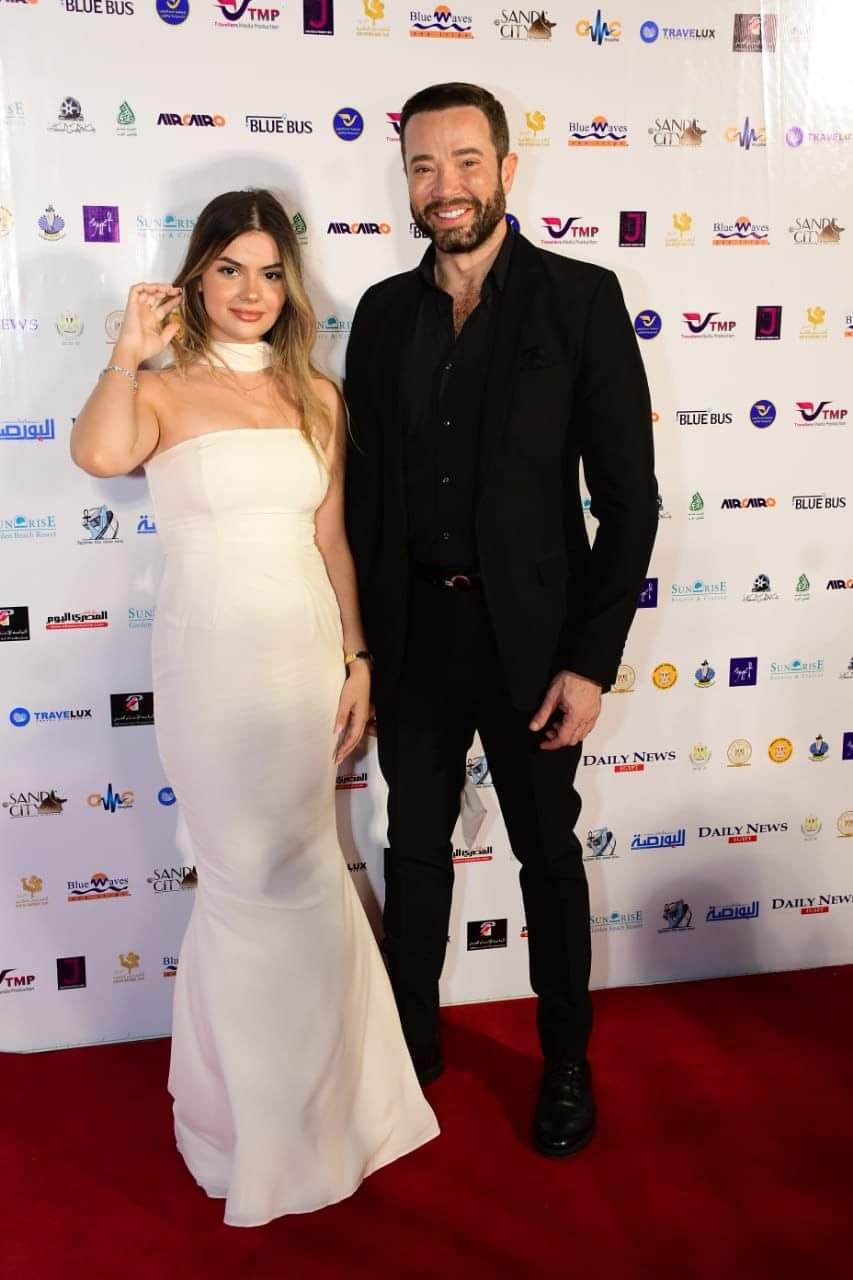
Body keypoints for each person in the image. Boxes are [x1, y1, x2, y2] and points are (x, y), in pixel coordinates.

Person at [70, 189, 438, 1227]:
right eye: (229, 269)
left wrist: (356, 656)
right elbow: (98, 454)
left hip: (303, 661)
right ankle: (246, 1126)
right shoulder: (158, 388)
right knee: (244, 887)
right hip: (211, 669)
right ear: (195, 278)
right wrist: (126, 350)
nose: (251, 291)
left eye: (270, 272)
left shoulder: (315, 393)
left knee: (307, 874)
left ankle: (333, 1113)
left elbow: (331, 540)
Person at [344, 84, 658, 1158]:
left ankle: (564, 1061)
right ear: (405, 179)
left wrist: (590, 663)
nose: (446, 186)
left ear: (507, 170)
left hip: (533, 648)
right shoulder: (382, 314)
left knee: (546, 859)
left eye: (466, 162)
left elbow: (629, 501)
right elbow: (364, 499)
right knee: (412, 852)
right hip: (413, 638)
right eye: (424, 166)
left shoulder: (579, 298)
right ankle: (409, 1049)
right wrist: (358, 649)